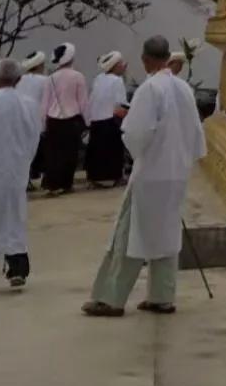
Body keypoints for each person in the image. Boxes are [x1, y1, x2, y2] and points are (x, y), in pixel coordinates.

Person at [82, 35, 205, 318]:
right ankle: (162, 296)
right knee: (166, 233)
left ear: (145, 59)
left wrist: (132, 138)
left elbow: (137, 133)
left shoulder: (150, 89)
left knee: (129, 234)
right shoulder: (184, 88)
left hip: (151, 173)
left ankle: (111, 298)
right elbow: (197, 134)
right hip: (176, 173)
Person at [0, 59, 40, 292]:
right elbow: (33, 136)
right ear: (18, 79)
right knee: (15, 218)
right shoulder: (28, 104)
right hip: (17, 170)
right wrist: (25, 161)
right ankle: (17, 268)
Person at [40, 42, 89, 195]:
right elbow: (83, 102)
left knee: (54, 154)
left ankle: (52, 184)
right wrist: (88, 122)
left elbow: (45, 103)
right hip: (71, 119)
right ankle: (66, 184)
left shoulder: (51, 78)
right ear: (71, 58)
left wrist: (43, 124)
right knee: (69, 153)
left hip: (53, 120)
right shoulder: (78, 77)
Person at [85, 51, 128, 188]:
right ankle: (116, 177)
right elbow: (120, 103)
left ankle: (94, 178)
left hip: (96, 120)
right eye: (121, 63)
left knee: (96, 151)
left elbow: (91, 99)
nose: (123, 66)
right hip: (110, 119)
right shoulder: (117, 80)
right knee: (113, 150)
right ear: (115, 66)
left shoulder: (98, 79)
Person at [16, 50, 48, 189]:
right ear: (40, 65)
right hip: (38, 119)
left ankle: (25, 179)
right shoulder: (45, 80)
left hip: (20, 119)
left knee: (23, 153)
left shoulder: (20, 80)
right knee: (37, 152)